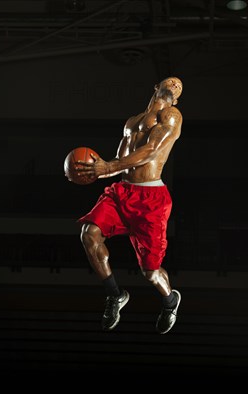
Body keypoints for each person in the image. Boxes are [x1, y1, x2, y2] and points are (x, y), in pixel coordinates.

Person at [72, 76, 183, 334]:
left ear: (177, 98)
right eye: (171, 80)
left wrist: (109, 166)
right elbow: (120, 160)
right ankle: (115, 295)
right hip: (122, 191)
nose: (176, 83)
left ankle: (170, 301)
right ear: (156, 86)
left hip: (151, 199)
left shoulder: (172, 115)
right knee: (88, 234)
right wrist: (97, 171)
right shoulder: (132, 122)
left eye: (179, 86)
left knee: (150, 273)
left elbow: (152, 151)